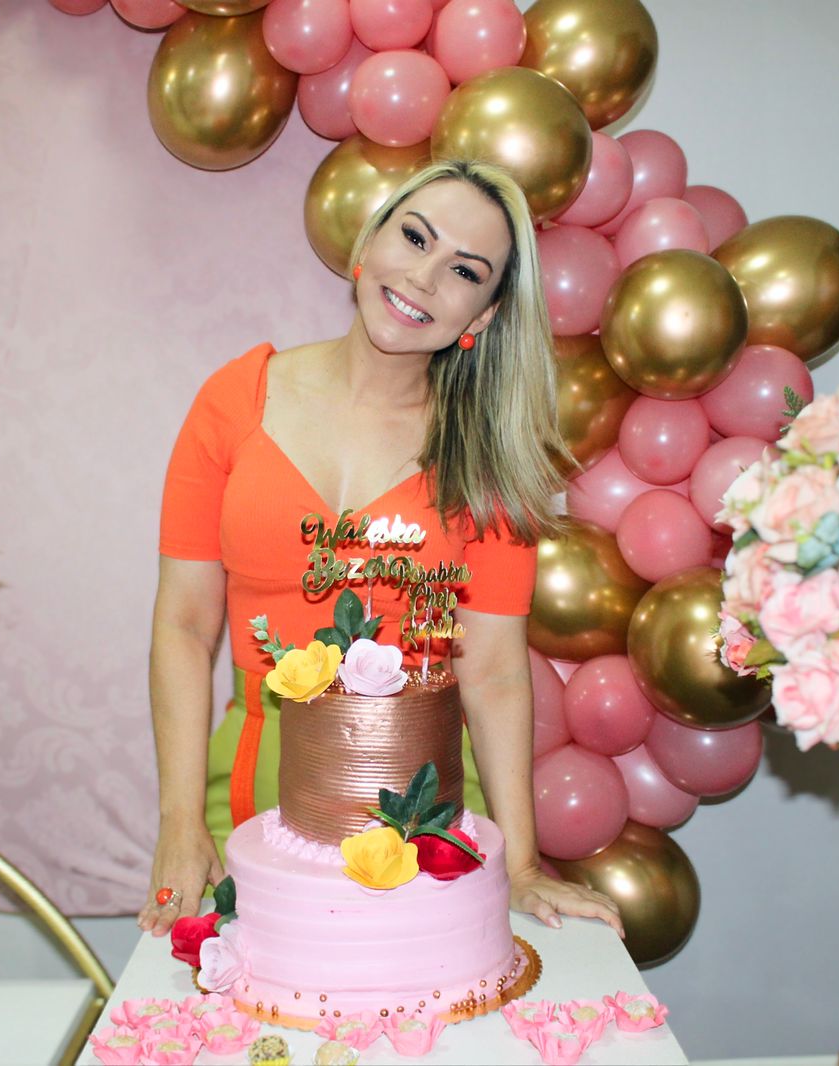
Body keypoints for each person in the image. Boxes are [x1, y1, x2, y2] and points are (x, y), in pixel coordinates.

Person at [140, 159, 621, 940]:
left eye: (464, 270)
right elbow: (184, 627)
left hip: (430, 817)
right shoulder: (234, 400)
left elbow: (495, 671)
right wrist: (178, 822)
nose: (425, 277)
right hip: (248, 796)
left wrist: (525, 866)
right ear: (368, 241)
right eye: (416, 238)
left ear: (486, 312)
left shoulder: (489, 456)